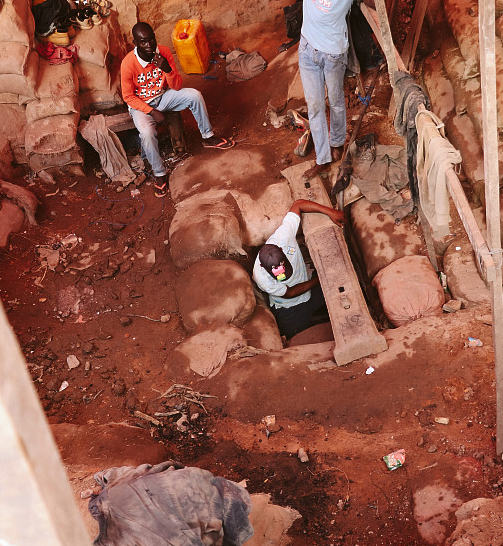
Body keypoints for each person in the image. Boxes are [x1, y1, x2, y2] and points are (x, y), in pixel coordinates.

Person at [291, 0, 375, 180]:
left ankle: (338, 144)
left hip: (333, 53)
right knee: (315, 106)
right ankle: (324, 159)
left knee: (337, 103)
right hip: (307, 49)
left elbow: (374, 1)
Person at [120, 22, 233, 197]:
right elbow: (128, 97)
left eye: (151, 39)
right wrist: (151, 111)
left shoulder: (163, 52)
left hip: (163, 96)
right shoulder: (128, 63)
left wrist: (167, 69)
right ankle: (159, 173)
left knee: (194, 95)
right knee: (147, 133)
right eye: (143, 42)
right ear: (135, 43)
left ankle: (208, 137)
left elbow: (177, 86)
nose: (149, 45)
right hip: (141, 106)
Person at [253, 199, 344, 339]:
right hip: (290, 307)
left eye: (284, 267)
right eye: (279, 274)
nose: (283, 273)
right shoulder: (261, 278)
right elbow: (290, 292)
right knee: (293, 336)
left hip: (309, 283)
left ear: (282, 250)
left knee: (341, 291)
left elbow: (298, 205)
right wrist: (320, 279)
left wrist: (330, 212)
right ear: (262, 267)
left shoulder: (283, 237)